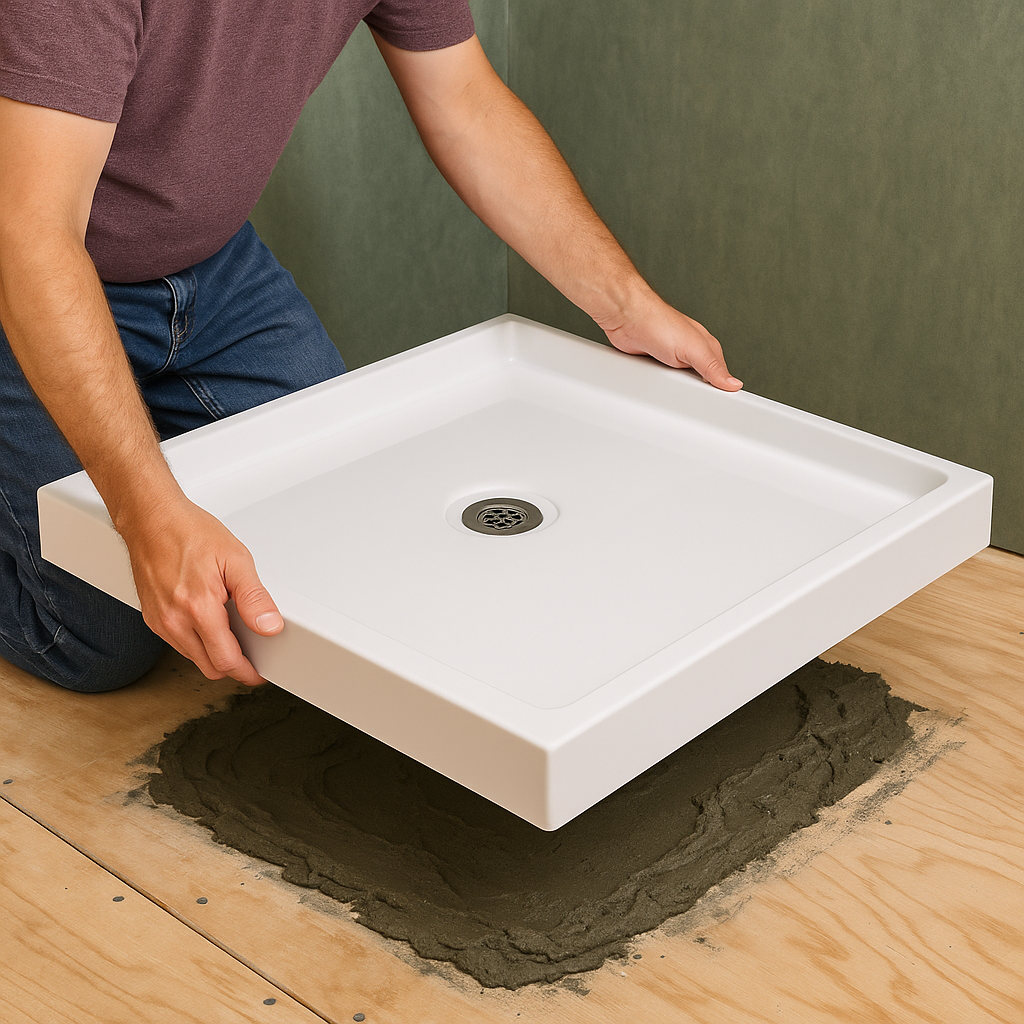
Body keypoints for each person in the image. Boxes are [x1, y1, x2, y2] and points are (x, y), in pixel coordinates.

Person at [0, 0, 742, 694]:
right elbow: (32, 235)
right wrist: (148, 509)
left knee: (327, 543)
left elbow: (465, 104)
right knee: (99, 635)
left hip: (212, 267)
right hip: (25, 271)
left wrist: (628, 305)